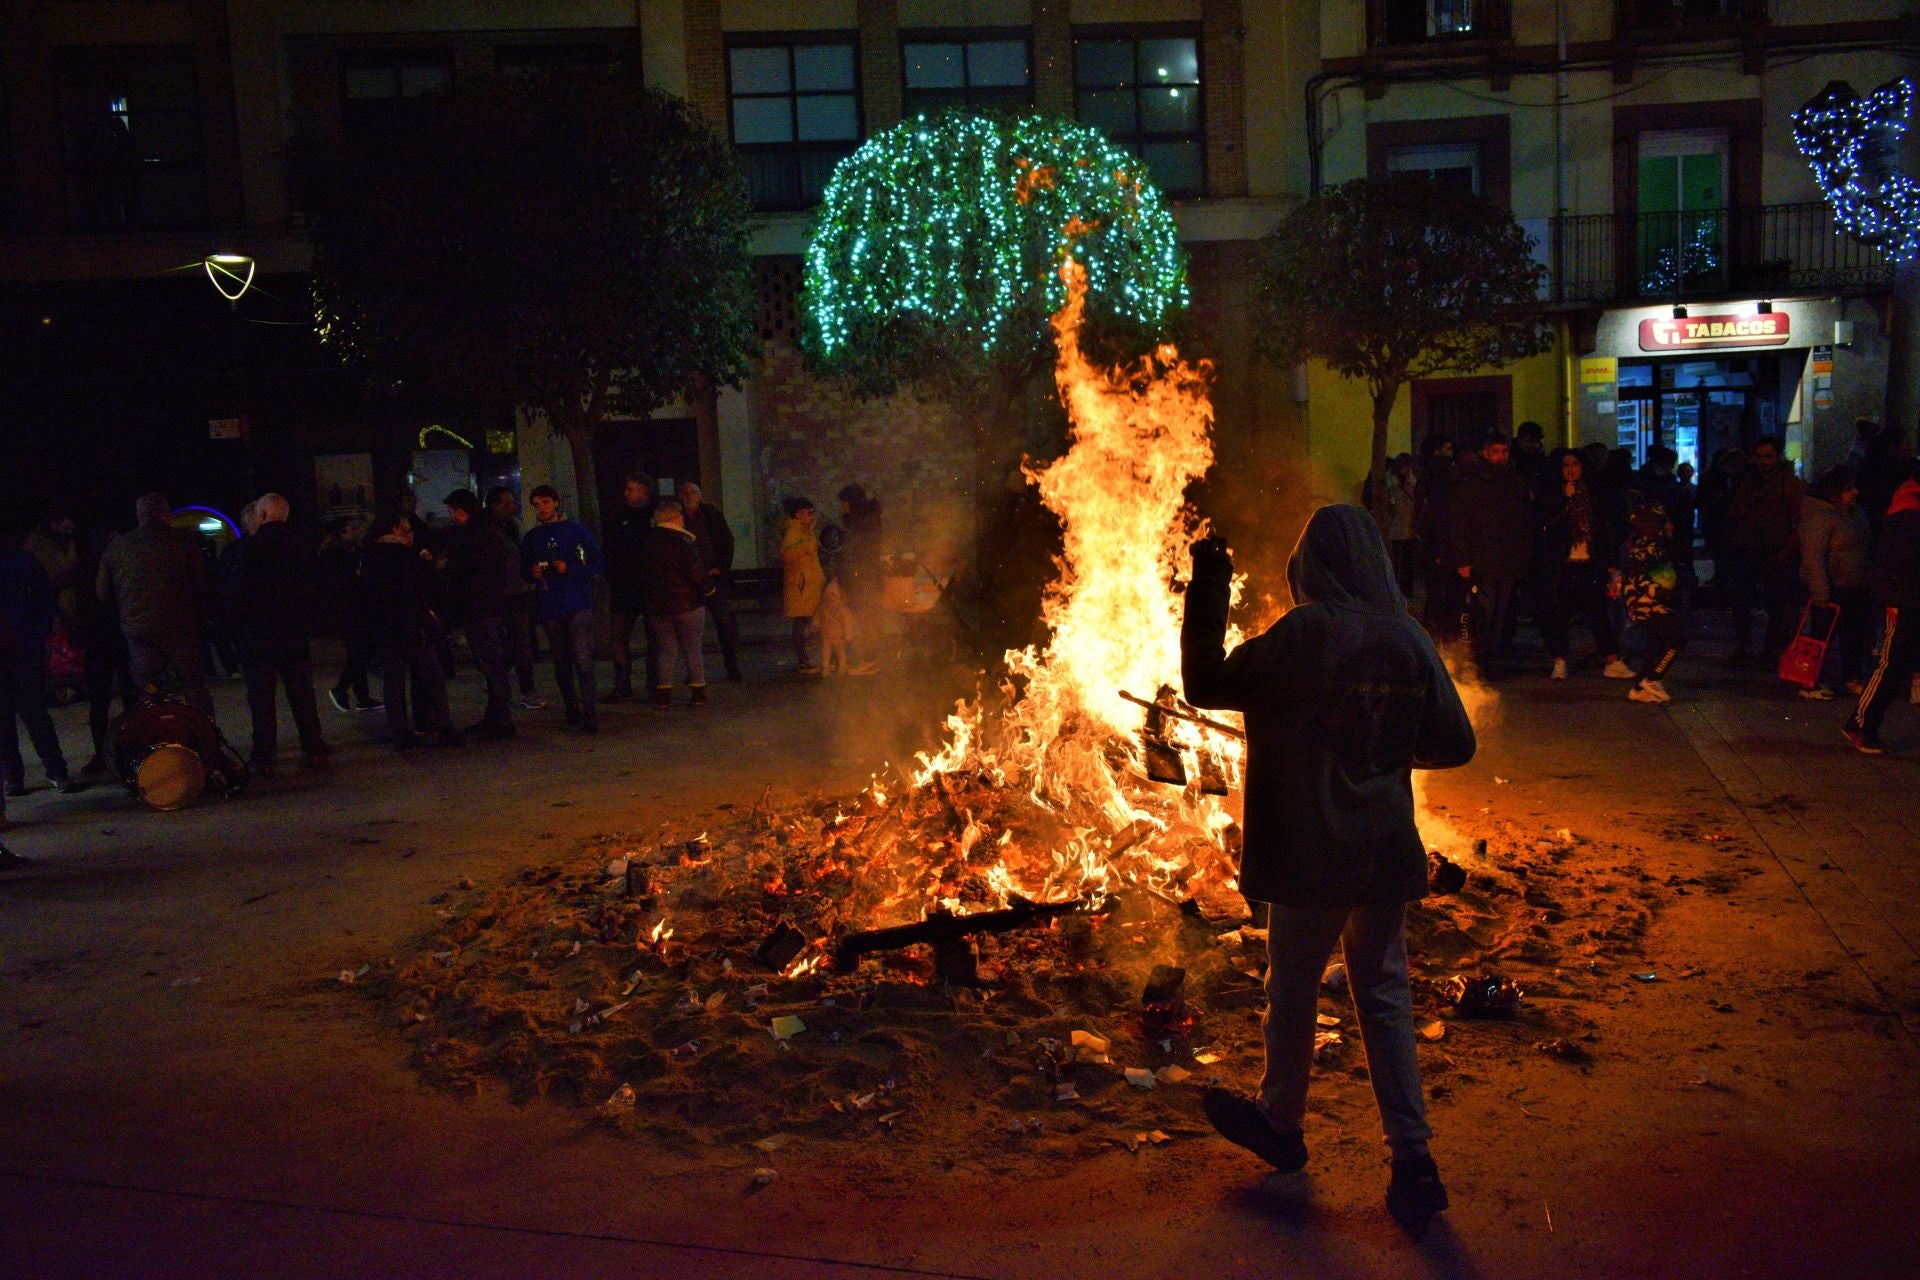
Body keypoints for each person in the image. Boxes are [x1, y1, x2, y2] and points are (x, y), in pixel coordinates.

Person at [1181, 506, 1475, 1235]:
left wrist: (1210, 580)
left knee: (1294, 988)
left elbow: (1204, 682)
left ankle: (1281, 1122)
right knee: (1383, 994)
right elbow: (1455, 742)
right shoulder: (1407, 637)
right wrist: (1385, 755)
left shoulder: (1309, 632)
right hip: (1382, 852)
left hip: (1312, 852)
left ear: (1310, 564)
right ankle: (1414, 1162)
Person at [225, 494, 329, 774]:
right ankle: (313, 745)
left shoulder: (249, 548)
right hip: (293, 633)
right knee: (302, 695)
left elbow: (236, 594)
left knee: (261, 699)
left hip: (257, 636)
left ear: (260, 515)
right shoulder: (301, 546)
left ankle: (264, 751)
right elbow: (315, 590)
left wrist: (237, 628)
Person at [96, 493, 214, 718]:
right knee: (194, 687)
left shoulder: (119, 546)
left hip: (139, 630)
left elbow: (103, 592)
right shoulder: (183, 541)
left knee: (149, 691)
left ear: (139, 514)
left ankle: (157, 741)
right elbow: (202, 584)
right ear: (165, 513)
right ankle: (205, 738)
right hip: (182, 627)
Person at [359, 508, 460, 750]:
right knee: (432, 675)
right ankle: (444, 726)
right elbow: (428, 587)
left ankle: (399, 730)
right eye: (407, 530)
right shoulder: (407, 557)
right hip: (413, 625)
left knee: (393, 679)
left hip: (385, 627)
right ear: (397, 530)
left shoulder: (369, 557)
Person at [1843, 462, 1920, 754]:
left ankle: (1862, 723)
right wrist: (1894, 600)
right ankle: (1861, 724)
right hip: (1904, 599)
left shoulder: (1907, 510)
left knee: (1895, 664)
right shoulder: (1908, 515)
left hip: (1905, 597)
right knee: (1892, 664)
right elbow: (1899, 564)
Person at [1540, 449, 1632, 681]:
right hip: (1564, 563)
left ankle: (1611, 659)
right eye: (1566, 465)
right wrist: (1565, 500)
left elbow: (1606, 530)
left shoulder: (1596, 495)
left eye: (1575, 464)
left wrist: (1610, 563)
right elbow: (1547, 526)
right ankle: (1559, 660)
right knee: (1559, 614)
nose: (1570, 469)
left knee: (1598, 612)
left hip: (1591, 563)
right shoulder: (1554, 495)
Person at [520, 484, 605, 732]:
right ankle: (572, 707)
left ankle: (589, 710)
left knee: (582, 658)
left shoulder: (575, 531)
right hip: (550, 604)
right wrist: (532, 573)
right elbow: (524, 566)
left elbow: (597, 562)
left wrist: (572, 569)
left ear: (556, 502)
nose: (541, 508)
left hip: (577, 601)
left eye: (545, 502)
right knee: (560, 660)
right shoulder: (533, 537)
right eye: (536, 504)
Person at [1448, 435, 1534, 678]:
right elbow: (1461, 523)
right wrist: (1463, 559)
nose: (1500, 456)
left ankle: (1491, 657)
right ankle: (1480, 659)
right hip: (1483, 558)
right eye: (1495, 451)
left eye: (1504, 451)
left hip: (1505, 558)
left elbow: (1523, 522)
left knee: (1499, 611)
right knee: (1484, 611)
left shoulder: (1514, 483)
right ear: (1485, 453)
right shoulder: (1474, 484)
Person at [0, 543, 79, 796]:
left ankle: (24, 775)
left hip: (22, 647)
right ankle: (50, 772)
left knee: (25, 715)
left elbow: (43, 596)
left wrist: (38, 631)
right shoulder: (21, 560)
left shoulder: (20, 560)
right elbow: (44, 596)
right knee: (30, 715)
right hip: (24, 646)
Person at [443, 489, 519, 739]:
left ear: (460, 511)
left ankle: (502, 720)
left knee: (491, 663)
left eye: (452, 512)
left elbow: (472, 574)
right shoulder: (487, 532)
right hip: (488, 606)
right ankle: (495, 717)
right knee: (491, 664)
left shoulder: (474, 536)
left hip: (481, 608)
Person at [1726, 436, 1807, 663]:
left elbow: (1799, 520)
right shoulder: (1749, 482)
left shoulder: (1789, 484)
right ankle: (1745, 647)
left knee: (1776, 601)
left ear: (1777, 456)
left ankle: (1769, 648)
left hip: (1774, 549)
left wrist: (1788, 550)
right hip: (1748, 548)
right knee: (1742, 601)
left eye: (1768, 456)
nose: (1764, 462)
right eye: (1760, 457)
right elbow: (1735, 512)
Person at [1798, 466, 1873, 701]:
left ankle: (1851, 675)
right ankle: (1810, 680)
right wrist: (1820, 591)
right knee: (1821, 637)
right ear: (1833, 493)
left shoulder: (1854, 513)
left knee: (1854, 634)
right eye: (1848, 489)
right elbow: (1814, 557)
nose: (1855, 492)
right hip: (1832, 585)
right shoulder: (1820, 518)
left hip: (1854, 585)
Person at [640, 495, 712, 708]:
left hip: (658, 607)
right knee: (692, 648)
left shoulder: (648, 542)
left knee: (666, 650)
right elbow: (695, 571)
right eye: (680, 515)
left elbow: (643, 575)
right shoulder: (684, 542)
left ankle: (663, 696)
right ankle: (698, 693)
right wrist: (709, 589)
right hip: (688, 604)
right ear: (674, 518)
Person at [1622, 489, 1685, 704]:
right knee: (1675, 640)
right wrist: (1659, 591)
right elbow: (1636, 575)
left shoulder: (1652, 545)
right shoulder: (1645, 547)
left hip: (1647, 604)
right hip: (1647, 605)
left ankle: (1640, 686)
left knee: (1658, 644)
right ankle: (1653, 679)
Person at [486, 486, 544, 709]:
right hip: (500, 592)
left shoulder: (514, 525)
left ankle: (524, 687)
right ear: (496, 506)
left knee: (520, 641)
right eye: (507, 502)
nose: (513, 506)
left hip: (519, 590)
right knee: (512, 642)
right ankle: (510, 684)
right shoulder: (490, 531)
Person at [603, 473, 657, 703]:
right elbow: (609, 547)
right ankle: (622, 683)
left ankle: (654, 684)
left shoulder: (654, 516)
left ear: (644, 491)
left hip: (648, 588)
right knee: (618, 636)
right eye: (626, 489)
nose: (626, 493)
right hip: (623, 586)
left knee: (654, 638)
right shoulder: (619, 516)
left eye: (631, 489)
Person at [680, 482, 742, 681]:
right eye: (685, 493)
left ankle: (731, 665)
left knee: (723, 623)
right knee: (690, 628)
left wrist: (721, 568)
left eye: (692, 492)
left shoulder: (711, 516)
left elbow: (727, 541)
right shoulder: (678, 518)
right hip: (690, 581)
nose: (689, 496)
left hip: (713, 578)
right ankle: (694, 671)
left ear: (700, 495)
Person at [318, 517, 380, 713]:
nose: (358, 531)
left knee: (358, 650)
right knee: (361, 650)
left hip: (354, 609)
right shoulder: (334, 555)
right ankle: (341, 688)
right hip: (347, 610)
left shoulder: (350, 551)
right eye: (353, 528)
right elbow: (343, 584)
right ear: (342, 533)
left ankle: (362, 696)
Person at [780, 497, 824, 675]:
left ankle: (811, 659)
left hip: (807, 584)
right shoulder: (794, 532)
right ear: (798, 514)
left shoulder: (803, 531)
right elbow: (787, 555)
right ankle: (804, 661)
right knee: (801, 622)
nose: (812, 516)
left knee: (809, 621)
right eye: (809, 512)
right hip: (801, 585)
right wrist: (805, 546)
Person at [1384, 454, 1420, 598]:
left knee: (1406, 561)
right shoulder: (1391, 481)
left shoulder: (1411, 481)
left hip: (1408, 526)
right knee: (1397, 560)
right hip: (1398, 526)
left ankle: (1406, 589)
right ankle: (1398, 589)